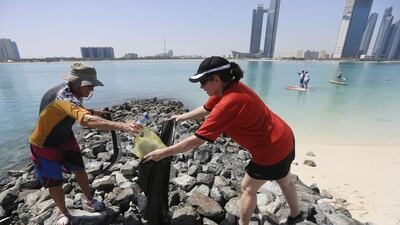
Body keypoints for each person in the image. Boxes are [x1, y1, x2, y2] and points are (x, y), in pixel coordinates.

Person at [143, 56, 302, 225]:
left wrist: (164, 152)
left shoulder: (229, 101)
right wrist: (180, 118)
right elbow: (205, 109)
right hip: (284, 137)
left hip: (269, 150)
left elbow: (197, 140)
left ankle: (243, 223)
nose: (201, 87)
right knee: (285, 179)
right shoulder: (229, 88)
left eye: (203, 82)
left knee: (248, 188)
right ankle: (296, 214)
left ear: (216, 79)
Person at [28, 62, 143, 225]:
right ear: (77, 83)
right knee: (54, 182)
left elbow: (74, 108)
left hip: (65, 136)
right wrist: (123, 126)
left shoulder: (70, 91)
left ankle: (89, 198)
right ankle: (64, 213)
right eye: (89, 86)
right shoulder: (63, 97)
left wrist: (94, 111)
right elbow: (85, 121)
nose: (92, 89)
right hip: (45, 144)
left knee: (79, 169)